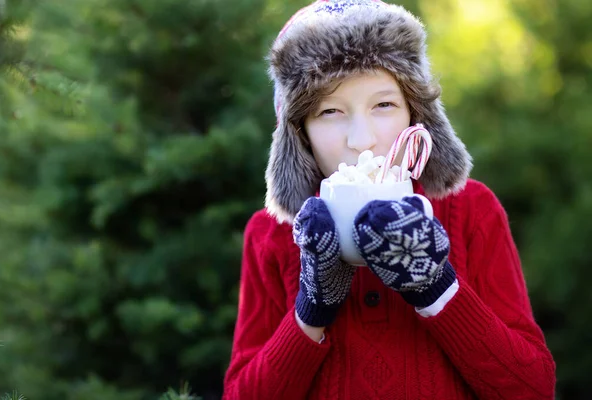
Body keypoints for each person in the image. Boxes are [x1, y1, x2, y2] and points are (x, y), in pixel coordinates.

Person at [222, 1, 556, 399]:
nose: (361, 139)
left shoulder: (471, 209)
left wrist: (436, 286)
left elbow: (533, 388)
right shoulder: (271, 233)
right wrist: (311, 311)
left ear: (416, 115)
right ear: (299, 132)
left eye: (383, 105)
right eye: (329, 111)